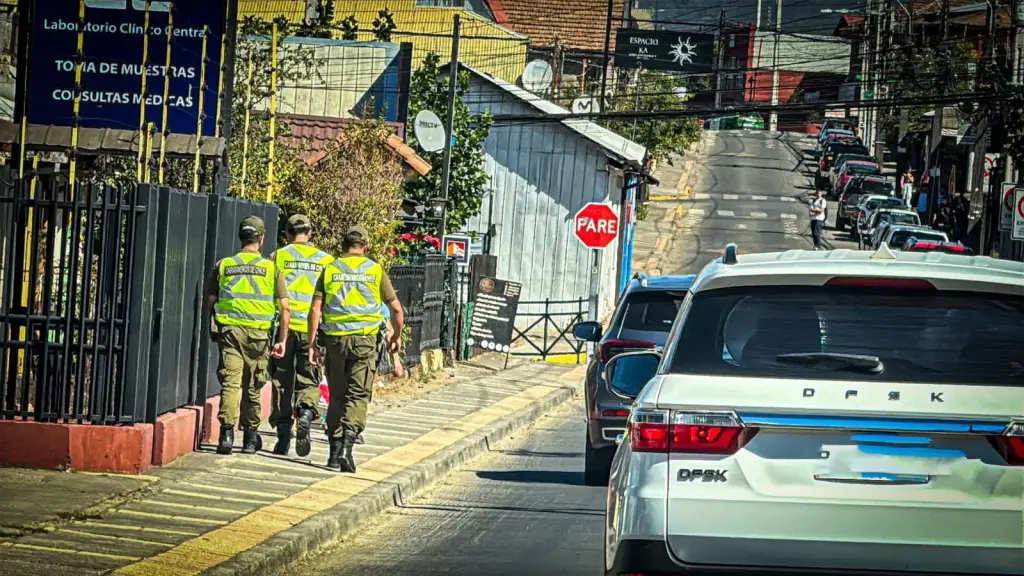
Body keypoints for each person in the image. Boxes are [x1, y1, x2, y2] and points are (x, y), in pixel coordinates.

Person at [307, 225, 404, 472]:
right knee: (358, 394)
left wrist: (311, 344)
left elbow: (315, 310)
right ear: (366, 247)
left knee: (337, 395)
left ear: (343, 245)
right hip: (364, 342)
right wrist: (396, 338)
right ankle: (348, 446)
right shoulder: (374, 270)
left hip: (335, 341)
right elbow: (396, 310)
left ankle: (333, 452)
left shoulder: (330, 269)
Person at [206, 216, 289, 455]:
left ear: (241, 237)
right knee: (254, 385)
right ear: (261, 239)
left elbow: (211, 300)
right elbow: (285, 308)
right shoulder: (271, 269)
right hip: (259, 337)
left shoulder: (223, 265)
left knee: (231, 384)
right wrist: (282, 340)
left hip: (229, 333)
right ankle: (251, 438)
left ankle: (226, 435)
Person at [269, 214, 335, 457]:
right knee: (309, 378)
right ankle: (306, 412)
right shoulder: (327, 261)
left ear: (286, 234)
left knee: (281, 381)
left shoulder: (278, 256)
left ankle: (283, 439)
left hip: (284, 328)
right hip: (312, 330)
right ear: (310, 234)